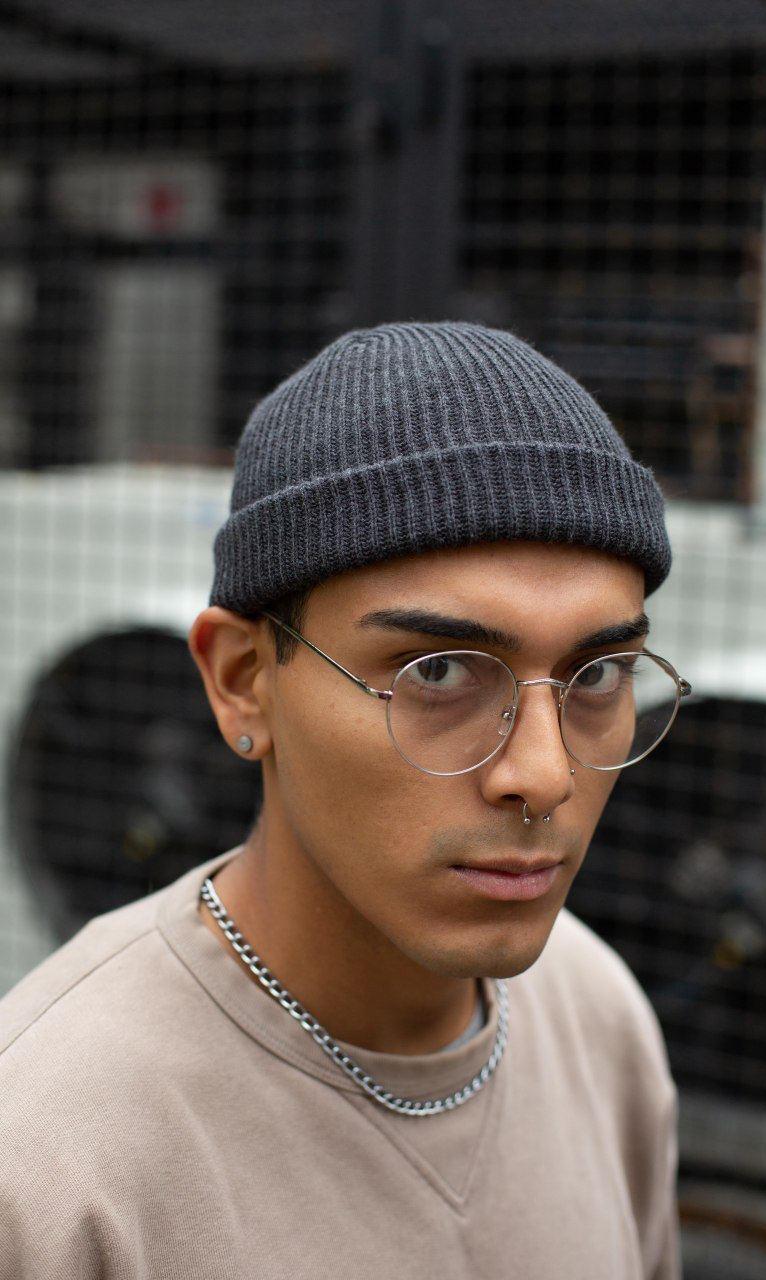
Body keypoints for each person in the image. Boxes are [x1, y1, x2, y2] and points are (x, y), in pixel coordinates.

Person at [0, 321, 688, 1278]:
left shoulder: (595, 1014)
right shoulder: (45, 1156)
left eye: (599, 673)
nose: (543, 774)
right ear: (244, 681)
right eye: (438, 672)